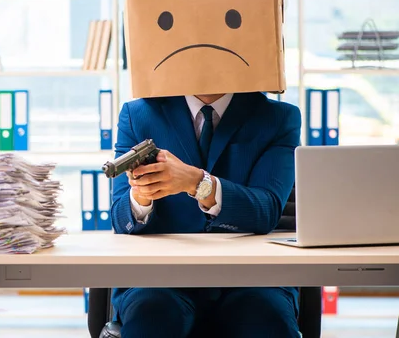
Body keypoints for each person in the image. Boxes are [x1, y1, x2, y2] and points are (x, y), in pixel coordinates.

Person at [110, 90, 301, 338]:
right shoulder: (138, 115)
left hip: (252, 279)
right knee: (153, 316)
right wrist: (141, 196)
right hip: (159, 280)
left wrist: (200, 183)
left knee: (265, 319)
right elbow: (119, 220)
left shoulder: (278, 116)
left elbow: (266, 211)